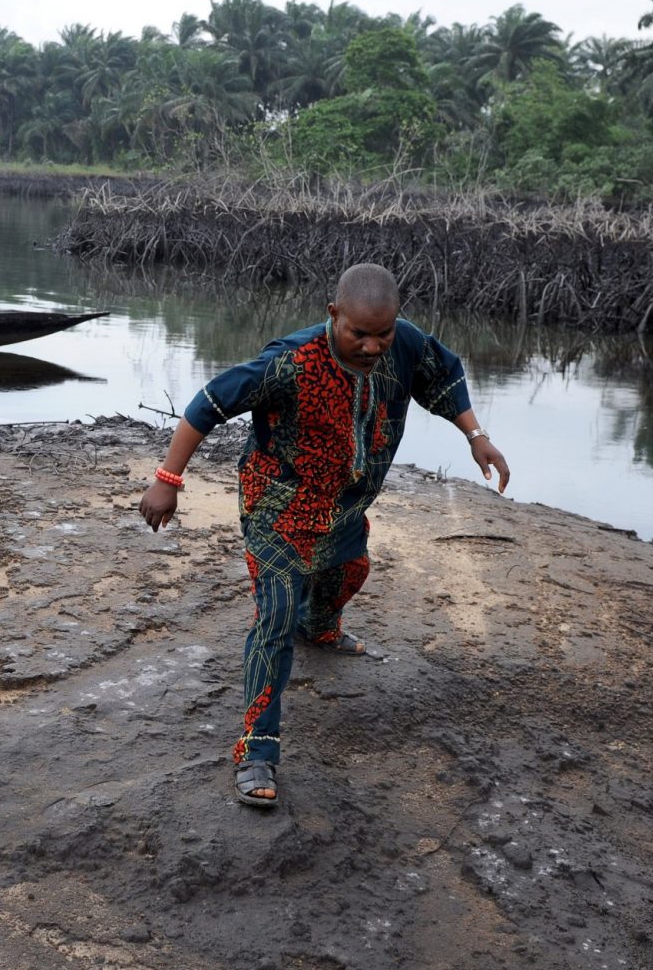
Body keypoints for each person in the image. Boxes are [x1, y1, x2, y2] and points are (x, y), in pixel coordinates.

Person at [138, 263, 510, 808]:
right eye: (359, 333)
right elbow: (208, 405)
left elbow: (443, 376)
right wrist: (167, 481)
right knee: (276, 616)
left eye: (382, 334)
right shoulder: (290, 362)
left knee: (351, 571)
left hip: (342, 505)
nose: (372, 346)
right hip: (278, 508)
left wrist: (476, 436)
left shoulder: (402, 343)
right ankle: (257, 749)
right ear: (333, 314)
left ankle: (322, 625)